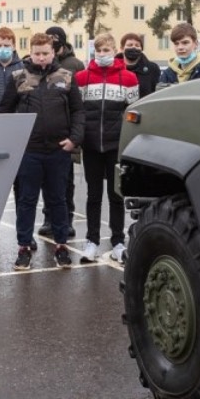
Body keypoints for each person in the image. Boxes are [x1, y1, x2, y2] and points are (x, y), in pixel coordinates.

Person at [0, 32, 85, 270]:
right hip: (29, 152)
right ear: (31, 52)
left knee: (58, 200)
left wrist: (74, 139)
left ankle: (61, 246)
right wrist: (13, 143)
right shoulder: (18, 77)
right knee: (26, 201)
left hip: (59, 151)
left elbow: (78, 111)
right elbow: (4, 112)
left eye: (45, 53)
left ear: (53, 52)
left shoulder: (66, 77)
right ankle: (24, 248)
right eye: (36, 53)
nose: (41, 58)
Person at [75, 33, 139, 264]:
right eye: (99, 51)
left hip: (115, 145)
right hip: (91, 145)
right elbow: (78, 111)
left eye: (107, 50)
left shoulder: (129, 78)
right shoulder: (82, 77)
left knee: (115, 196)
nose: (102, 55)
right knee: (93, 195)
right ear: (94, 52)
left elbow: (133, 113)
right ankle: (91, 240)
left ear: (115, 51)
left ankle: (118, 242)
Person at [38, 26, 85, 239]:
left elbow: (78, 104)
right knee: (46, 182)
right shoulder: (41, 64)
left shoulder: (74, 65)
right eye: (50, 39)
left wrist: (76, 136)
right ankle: (48, 218)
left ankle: (67, 219)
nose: (54, 42)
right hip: (44, 136)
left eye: (57, 39)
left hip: (66, 133)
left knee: (66, 182)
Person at [117, 32, 160, 98]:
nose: (133, 47)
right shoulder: (113, 69)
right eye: (130, 45)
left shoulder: (152, 68)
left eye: (137, 46)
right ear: (122, 49)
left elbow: (156, 93)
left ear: (141, 49)